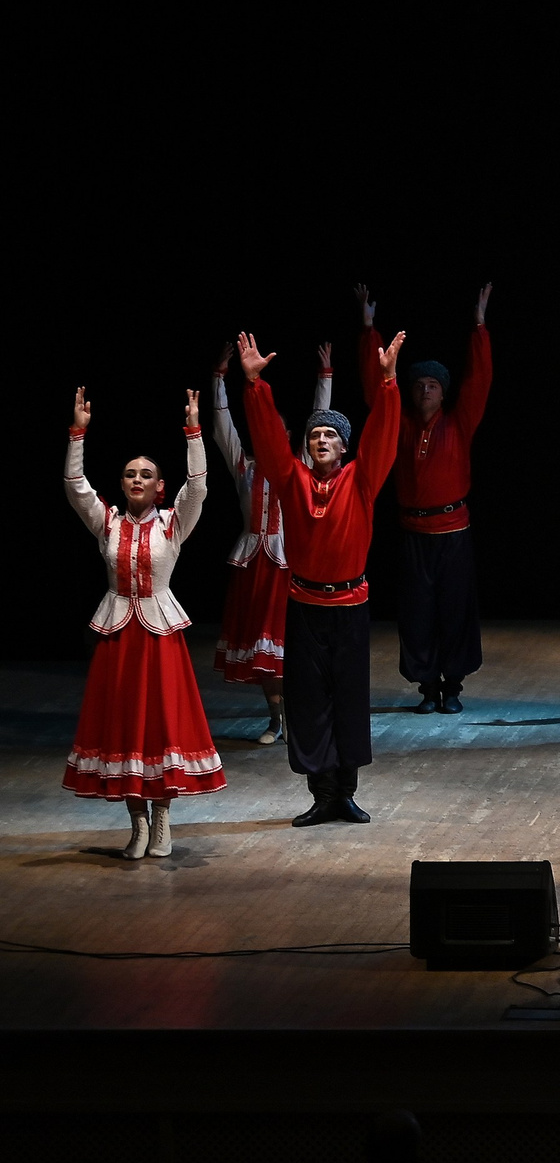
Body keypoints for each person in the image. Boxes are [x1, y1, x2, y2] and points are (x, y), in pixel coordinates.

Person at [238, 325, 406, 827]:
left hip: (350, 607)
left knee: (349, 701)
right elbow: (268, 443)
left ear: (345, 444)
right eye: (314, 435)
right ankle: (321, 793)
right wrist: (254, 387)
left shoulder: (362, 479)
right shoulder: (292, 481)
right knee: (309, 702)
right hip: (305, 606)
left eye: (330, 433)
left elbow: (383, 434)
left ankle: (347, 794)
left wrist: (389, 381)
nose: (320, 440)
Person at [62, 385, 224, 859]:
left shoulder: (173, 523)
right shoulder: (107, 522)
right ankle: (135, 822)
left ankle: (163, 819)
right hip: (118, 638)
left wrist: (193, 430)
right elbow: (75, 486)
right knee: (123, 728)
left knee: (160, 726)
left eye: (146, 475)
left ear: (159, 486)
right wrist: (78, 434)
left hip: (158, 638)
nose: (137, 479)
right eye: (130, 474)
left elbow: (199, 486)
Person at [361, 282, 493, 715]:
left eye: (432, 385)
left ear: (443, 391)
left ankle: (452, 687)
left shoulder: (460, 423)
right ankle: (427, 688)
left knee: (454, 610)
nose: (424, 391)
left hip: (453, 531)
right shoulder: (398, 426)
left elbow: (480, 380)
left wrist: (479, 326)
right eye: (418, 385)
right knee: (417, 613)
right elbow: (373, 390)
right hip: (412, 532)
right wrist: (369, 331)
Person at [207, 339, 332, 745]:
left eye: (276, 428)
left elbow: (318, 420)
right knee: (263, 653)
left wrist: (324, 378)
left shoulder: (299, 467)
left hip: (288, 564)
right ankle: (276, 718)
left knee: (289, 647)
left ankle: (302, 716)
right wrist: (218, 380)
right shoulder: (245, 466)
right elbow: (222, 428)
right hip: (253, 567)